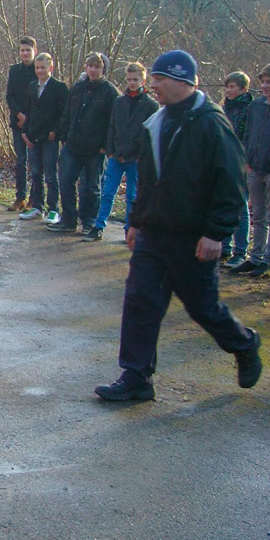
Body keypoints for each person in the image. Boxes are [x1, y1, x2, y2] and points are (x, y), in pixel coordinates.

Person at [95, 50, 261, 401]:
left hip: (193, 238)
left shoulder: (211, 123)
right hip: (154, 233)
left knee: (203, 308)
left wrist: (216, 233)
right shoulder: (156, 122)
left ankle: (244, 344)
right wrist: (136, 222)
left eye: (160, 79)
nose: (153, 84)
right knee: (140, 301)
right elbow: (148, 180)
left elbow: (231, 183)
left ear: (182, 81)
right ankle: (136, 377)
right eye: (153, 78)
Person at [84, 62, 158, 241]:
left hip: (136, 156)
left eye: (135, 80)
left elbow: (151, 134)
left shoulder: (150, 105)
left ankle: (129, 228)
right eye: (129, 79)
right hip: (117, 154)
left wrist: (142, 155)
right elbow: (112, 126)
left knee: (132, 195)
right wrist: (110, 150)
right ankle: (99, 225)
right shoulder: (119, 101)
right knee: (108, 192)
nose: (132, 83)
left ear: (143, 80)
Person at [48, 52, 119, 234]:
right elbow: (67, 114)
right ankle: (69, 220)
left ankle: (89, 221)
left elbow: (114, 123)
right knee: (66, 181)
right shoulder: (77, 88)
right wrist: (64, 137)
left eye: (97, 67)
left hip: (95, 149)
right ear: (86, 67)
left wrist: (105, 146)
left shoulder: (110, 92)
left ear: (103, 69)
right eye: (90, 66)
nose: (93, 70)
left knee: (92, 187)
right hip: (72, 145)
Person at [230, 64, 270, 278]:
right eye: (263, 82)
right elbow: (246, 134)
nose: (265, 86)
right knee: (259, 216)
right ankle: (255, 258)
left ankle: (267, 260)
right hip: (255, 168)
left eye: (269, 82)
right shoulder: (255, 107)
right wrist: (246, 160)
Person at [19, 53, 68, 223]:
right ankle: (37, 207)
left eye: (43, 68)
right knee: (36, 173)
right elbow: (28, 111)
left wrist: (55, 131)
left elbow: (64, 113)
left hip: (49, 139)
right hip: (33, 136)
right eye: (37, 68)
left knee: (51, 175)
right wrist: (24, 131)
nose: (40, 71)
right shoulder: (32, 86)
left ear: (50, 68)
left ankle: (53, 209)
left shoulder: (59, 87)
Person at [220, 71, 253, 268]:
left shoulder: (249, 109)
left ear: (243, 89)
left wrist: (244, 160)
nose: (229, 90)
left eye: (233, 87)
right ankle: (225, 247)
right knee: (224, 204)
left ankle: (240, 251)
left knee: (241, 206)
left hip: (242, 163)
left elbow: (248, 137)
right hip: (225, 161)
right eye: (227, 86)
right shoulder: (225, 107)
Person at [5, 36, 38, 211]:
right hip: (17, 122)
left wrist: (28, 119)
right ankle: (20, 197)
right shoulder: (14, 71)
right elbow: (9, 96)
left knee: (35, 162)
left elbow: (41, 99)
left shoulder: (39, 70)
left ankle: (34, 198)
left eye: (28, 50)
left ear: (34, 51)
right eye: (22, 50)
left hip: (35, 124)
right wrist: (19, 115)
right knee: (21, 161)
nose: (25, 53)